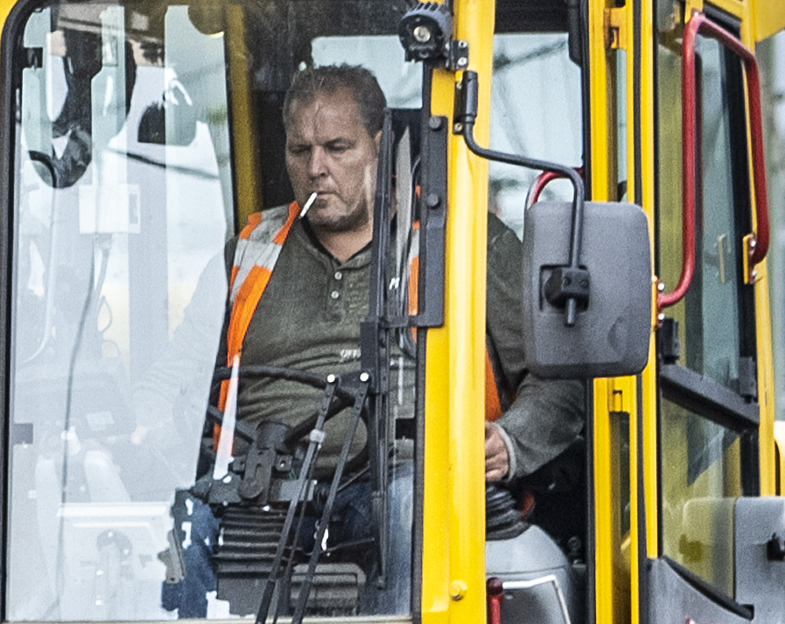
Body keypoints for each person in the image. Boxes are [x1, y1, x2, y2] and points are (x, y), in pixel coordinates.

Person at [201, 61, 543, 490]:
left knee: (409, 518)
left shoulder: (465, 243)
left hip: (413, 484)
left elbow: (553, 375)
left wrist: (512, 442)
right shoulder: (249, 250)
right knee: (174, 537)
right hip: (258, 485)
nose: (315, 169)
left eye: (337, 148)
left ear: (379, 147)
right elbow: (176, 376)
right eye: (300, 150)